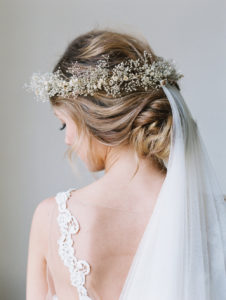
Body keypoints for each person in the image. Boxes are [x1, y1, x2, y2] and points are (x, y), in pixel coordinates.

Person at [25, 29, 226, 300]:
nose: (68, 140)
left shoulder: (54, 219)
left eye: (64, 123)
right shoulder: (216, 214)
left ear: (93, 115)